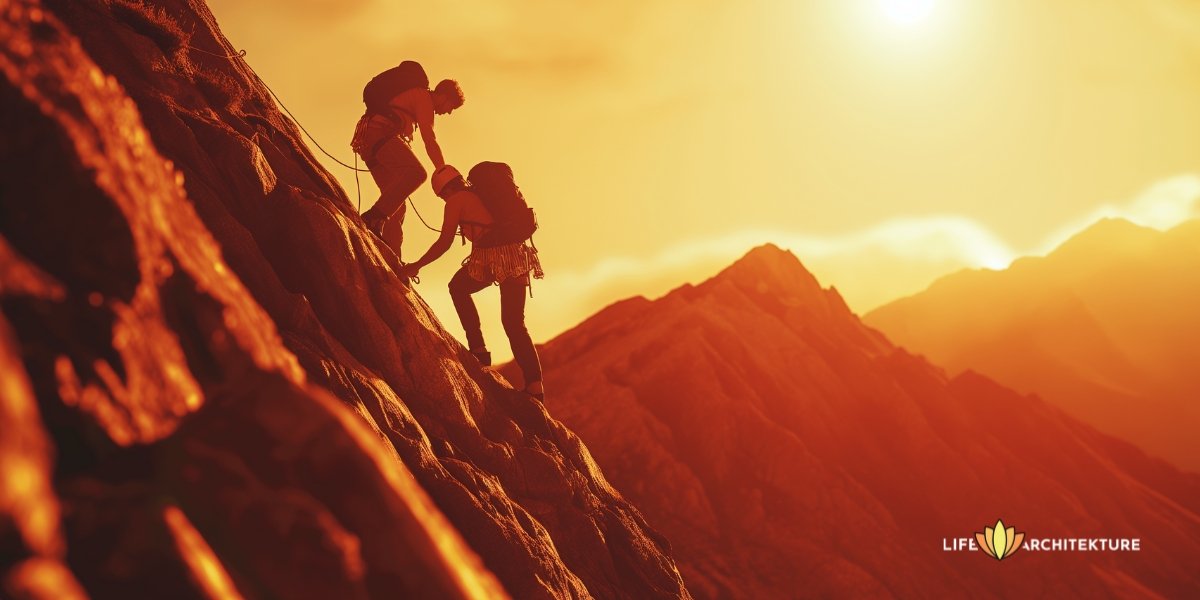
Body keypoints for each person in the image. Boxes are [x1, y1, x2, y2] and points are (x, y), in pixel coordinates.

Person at [400, 165, 546, 400]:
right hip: (517, 254)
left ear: (443, 191)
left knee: (457, 288)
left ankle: (478, 349)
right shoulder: (479, 193)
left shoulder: (456, 201)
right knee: (514, 323)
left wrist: (416, 265)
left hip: (491, 258)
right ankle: (535, 386)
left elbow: (444, 242)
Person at [352, 65, 465, 256]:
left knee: (396, 206)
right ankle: (372, 218)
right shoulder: (423, 97)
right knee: (417, 174)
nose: (448, 113)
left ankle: (391, 257)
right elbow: (430, 139)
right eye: (450, 107)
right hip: (379, 134)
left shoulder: (415, 98)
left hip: (369, 140)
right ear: (444, 96)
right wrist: (444, 172)